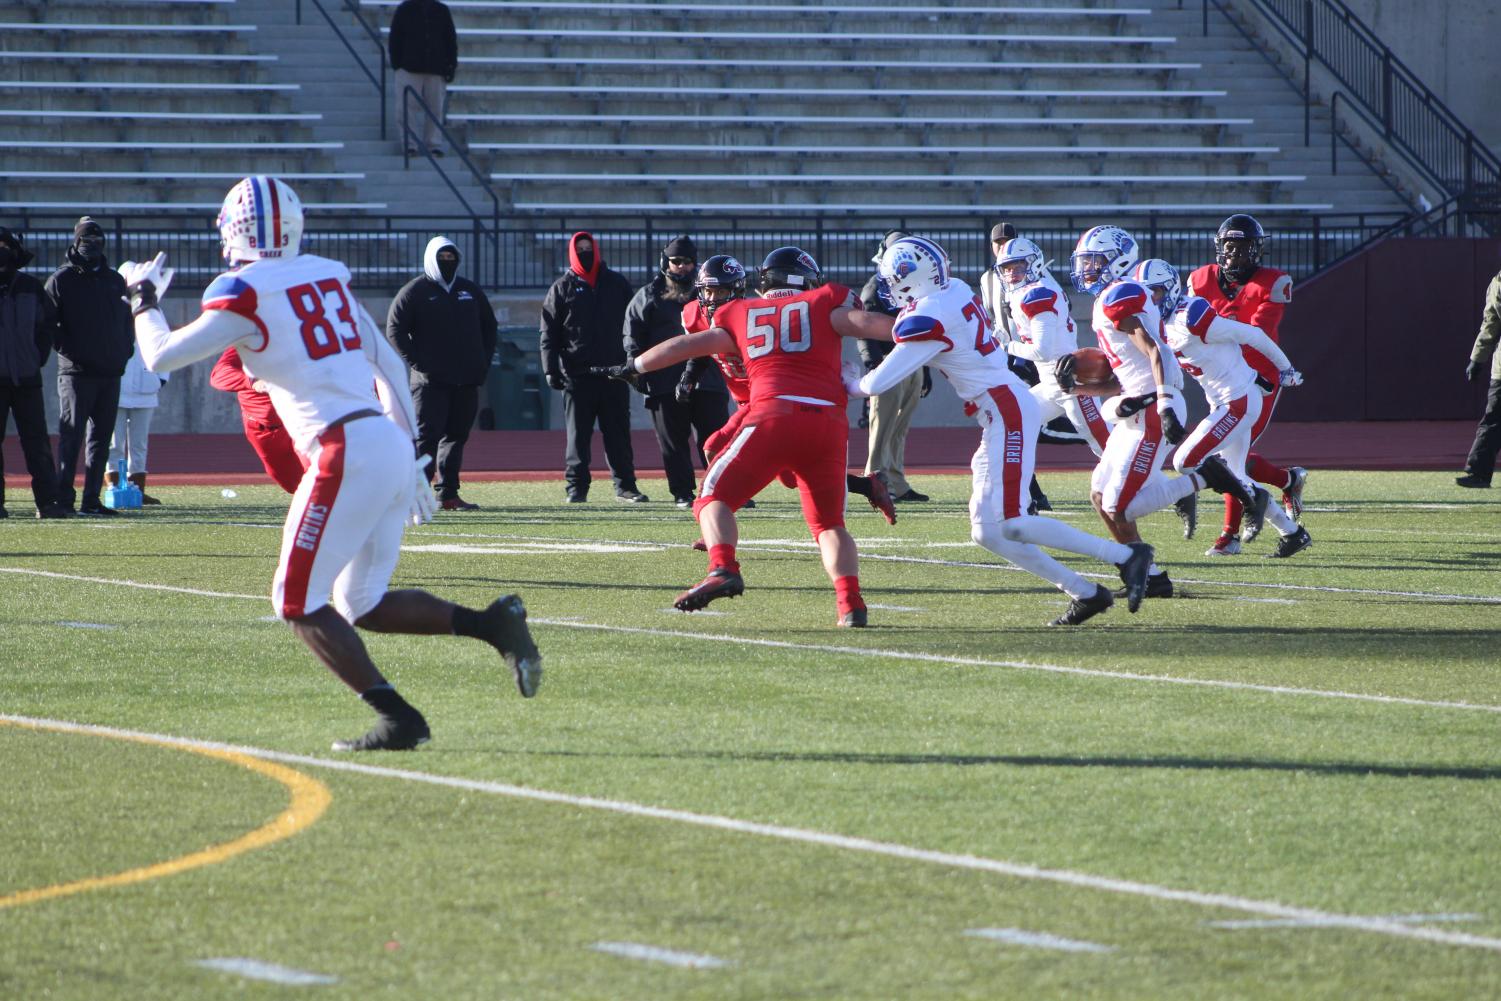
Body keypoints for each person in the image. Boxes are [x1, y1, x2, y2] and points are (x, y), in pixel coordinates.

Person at [121, 175, 541, 752]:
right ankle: (493, 624)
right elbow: (387, 364)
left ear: (231, 230)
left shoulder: (242, 290)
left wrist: (142, 298)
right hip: (384, 443)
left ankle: (399, 719)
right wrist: (411, 456)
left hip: (344, 450)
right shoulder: (325, 276)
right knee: (359, 603)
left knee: (294, 601)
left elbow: (160, 354)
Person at [846, 236, 1153, 626]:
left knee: (1013, 521)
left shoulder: (932, 315)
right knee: (987, 533)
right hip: (998, 410)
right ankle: (1086, 592)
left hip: (1005, 408)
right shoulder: (953, 291)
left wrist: (847, 382)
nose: (889, 284)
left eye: (894, 276)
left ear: (910, 277)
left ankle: (1127, 556)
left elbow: (877, 382)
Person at [604, 246, 897, 626]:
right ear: (807, 281)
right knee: (828, 526)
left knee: (711, 495)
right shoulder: (826, 302)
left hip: (772, 415)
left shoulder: (742, 312)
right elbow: (876, 324)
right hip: (828, 423)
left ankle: (723, 566)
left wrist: (636, 365)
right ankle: (850, 605)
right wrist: (934, 330)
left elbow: (689, 345)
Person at [1065, 225, 1261, 601]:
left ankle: (1204, 476)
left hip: (1153, 408)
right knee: (1099, 497)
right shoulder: (1110, 295)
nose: (1087, 268)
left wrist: (1167, 402)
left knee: (1119, 505)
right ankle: (1149, 576)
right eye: (1085, 261)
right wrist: (1077, 387)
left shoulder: (1122, 293)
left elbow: (1158, 352)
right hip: (1137, 404)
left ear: (1118, 259)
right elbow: (1125, 374)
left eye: (1094, 260)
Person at [680, 255, 894, 531]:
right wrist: (688, 375)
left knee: (715, 447)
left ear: (737, 291)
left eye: (720, 291)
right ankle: (867, 486)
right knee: (790, 476)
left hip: (771, 400)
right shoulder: (695, 315)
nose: (712, 297)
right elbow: (697, 349)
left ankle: (718, 518)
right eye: (708, 290)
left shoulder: (752, 312)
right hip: (753, 400)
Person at [1144, 259, 1313, 558]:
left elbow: (1252, 335)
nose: (1150, 300)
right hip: (1225, 400)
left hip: (1238, 401)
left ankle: (1252, 499)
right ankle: (1293, 532)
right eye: (1145, 294)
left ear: (1169, 288)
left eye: (1155, 292)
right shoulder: (1158, 324)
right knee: (1236, 473)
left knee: (1186, 460)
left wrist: (1285, 368)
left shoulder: (1190, 314)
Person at [1187, 214, 1307, 555]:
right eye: (1229, 245)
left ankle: (1230, 536)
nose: (1235, 254)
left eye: (1243, 247)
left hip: (1258, 379)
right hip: (1219, 380)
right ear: (1218, 247)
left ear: (1257, 250)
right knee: (1231, 456)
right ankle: (1288, 481)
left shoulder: (1273, 282)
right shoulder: (1199, 280)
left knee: (1227, 457)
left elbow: (1259, 332)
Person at [386, 236, 497, 511]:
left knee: (457, 436)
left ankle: (447, 494)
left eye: (451, 257)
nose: (447, 262)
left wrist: (481, 362)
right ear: (431, 259)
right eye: (442, 257)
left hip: (466, 380)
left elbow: (489, 327)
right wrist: (418, 363)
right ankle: (414, 494)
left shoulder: (469, 290)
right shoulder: (415, 291)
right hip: (430, 383)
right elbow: (395, 329)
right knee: (427, 437)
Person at [539, 230, 646, 503]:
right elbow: (548, 334)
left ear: (596, 250)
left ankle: (626, 487)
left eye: (589, 248)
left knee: (618, 436)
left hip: (614, 374)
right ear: (573, 253)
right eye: (581, 249)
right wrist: (550, 369)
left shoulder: (616, 284)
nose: (586, 253)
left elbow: (633, 325)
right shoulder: (560, 289)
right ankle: (576, 489)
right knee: (578, 438)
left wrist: (634, 363)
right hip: (578, 376)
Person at [624, 235, 729, 508]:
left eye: (688, 262)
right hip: (664, 380)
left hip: (708, 378)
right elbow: (632, 336)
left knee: (716, 437)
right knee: (673, 441)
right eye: (676, 261)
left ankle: (725, 489)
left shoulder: (710, 291)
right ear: (665, 262)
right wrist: (637, 368)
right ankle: (682, 492)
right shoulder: (648, 295)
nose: (682, 267)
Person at [46, 216, 135, 517]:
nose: (91, 245)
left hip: (109, 372)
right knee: (71, 438)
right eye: (85, 240)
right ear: (75, 242)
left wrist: (124, 352)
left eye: (96, 240)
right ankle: (63, 499)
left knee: (100, 441)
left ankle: (91, 500)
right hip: (76, 373)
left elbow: (127, 321)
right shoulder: (61, 280)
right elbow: (49, 325)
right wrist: (72, 352)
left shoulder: (114, 280)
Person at [0, 227, 69, 520]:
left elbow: (46, 326)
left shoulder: (30, 286)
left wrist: (38, 356)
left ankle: (48, 502)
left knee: (37, 442)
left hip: (27, 378)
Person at [858, 229, 930, 503]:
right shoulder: (876, 286)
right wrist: (873, 363)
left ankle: (897, 482)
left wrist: (927, 369)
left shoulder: (918, 283)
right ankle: (874, 479)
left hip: (912, 361)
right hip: (889, 362)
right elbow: (864, 328)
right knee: (883, 427)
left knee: (900, 428)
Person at [211, 346, 308, 494]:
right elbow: (219, 376)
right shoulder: (250, 338)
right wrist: (252, 381)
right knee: (293, 484)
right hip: (263, 429)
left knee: (319, 475)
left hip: (303, 421)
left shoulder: (305, 335)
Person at [387, 0, 457, 156]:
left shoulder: (442, 10)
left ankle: (433, 144)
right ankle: (410, 144)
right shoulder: (405, 9)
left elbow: (450, 39)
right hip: (409, 68)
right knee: (405, 108)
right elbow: (395, 38)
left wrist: (451, 65)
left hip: (436, 68)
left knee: (436, 108)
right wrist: (398, 64)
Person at [108, 340, 168, 504]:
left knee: (139, 445)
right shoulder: (116, 323)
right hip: (116, 393)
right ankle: (114, 488)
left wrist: (159, 380)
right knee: (114, 443)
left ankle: (137, 490)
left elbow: (163, 352)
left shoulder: (150, 324)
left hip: (146, 394)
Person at [1457, 265, 1501, 487]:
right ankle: (1479, 472)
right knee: (1493, 421)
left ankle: (1479, 472)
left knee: (1493, 421)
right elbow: (1491, 322)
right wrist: (1477, 359)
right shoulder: (1497, 283)